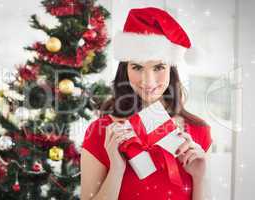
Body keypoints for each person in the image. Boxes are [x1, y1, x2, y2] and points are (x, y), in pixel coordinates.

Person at [80, 7, 212, 200]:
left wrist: (200, 178)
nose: (148, 81)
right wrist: (116, 169)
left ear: (171, 68)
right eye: (137, 67)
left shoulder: (199, 131)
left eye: (158, 67)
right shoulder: (100, 132)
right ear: (125, 69)